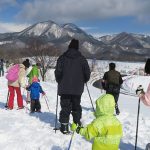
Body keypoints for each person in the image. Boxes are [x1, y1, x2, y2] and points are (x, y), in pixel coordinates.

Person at [55, 39, 91, 134]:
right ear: (77, 47)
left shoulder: (62, 58)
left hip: (64, 88)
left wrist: (60, 81)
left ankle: (64, 126)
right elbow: (87, 73)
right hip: (77, 88)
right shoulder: (82, 59)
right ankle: (77, 124)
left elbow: (57, 72)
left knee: (65, 106)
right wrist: (83, 81)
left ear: (69, 46)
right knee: (76, 106)